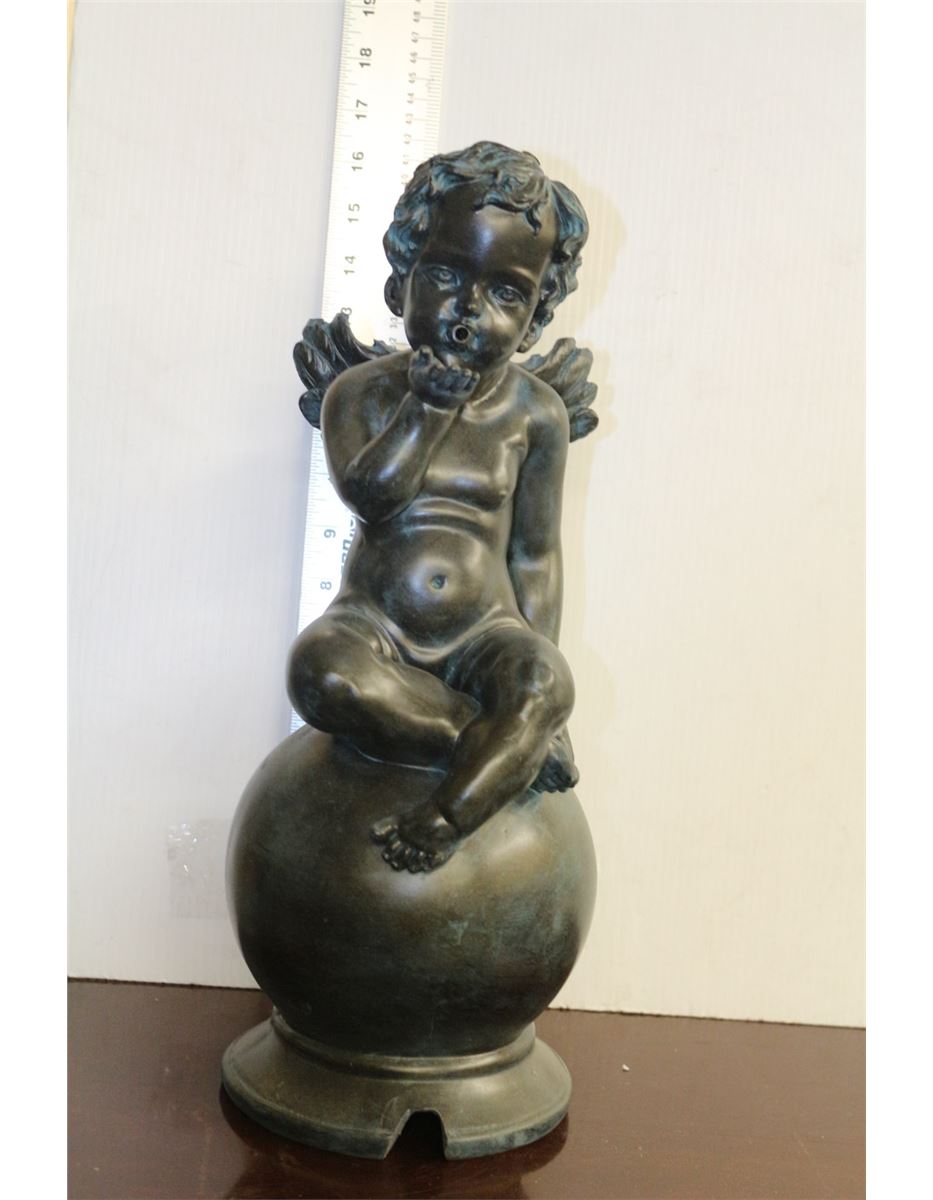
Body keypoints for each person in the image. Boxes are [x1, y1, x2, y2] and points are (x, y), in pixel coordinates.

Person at [288, 141, 596, 873]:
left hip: (484, 632)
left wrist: (536, 668)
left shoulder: (536, 416)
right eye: (446, 276)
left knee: (546, 683)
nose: (468, 311)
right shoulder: (359, 394)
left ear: (535, 318)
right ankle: (488, 746)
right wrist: (426, 409)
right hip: (375, 629)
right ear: (401, 284)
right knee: (319, 673)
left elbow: (534, 555)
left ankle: (446, 815)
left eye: (506, 294)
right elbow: (371, 495)